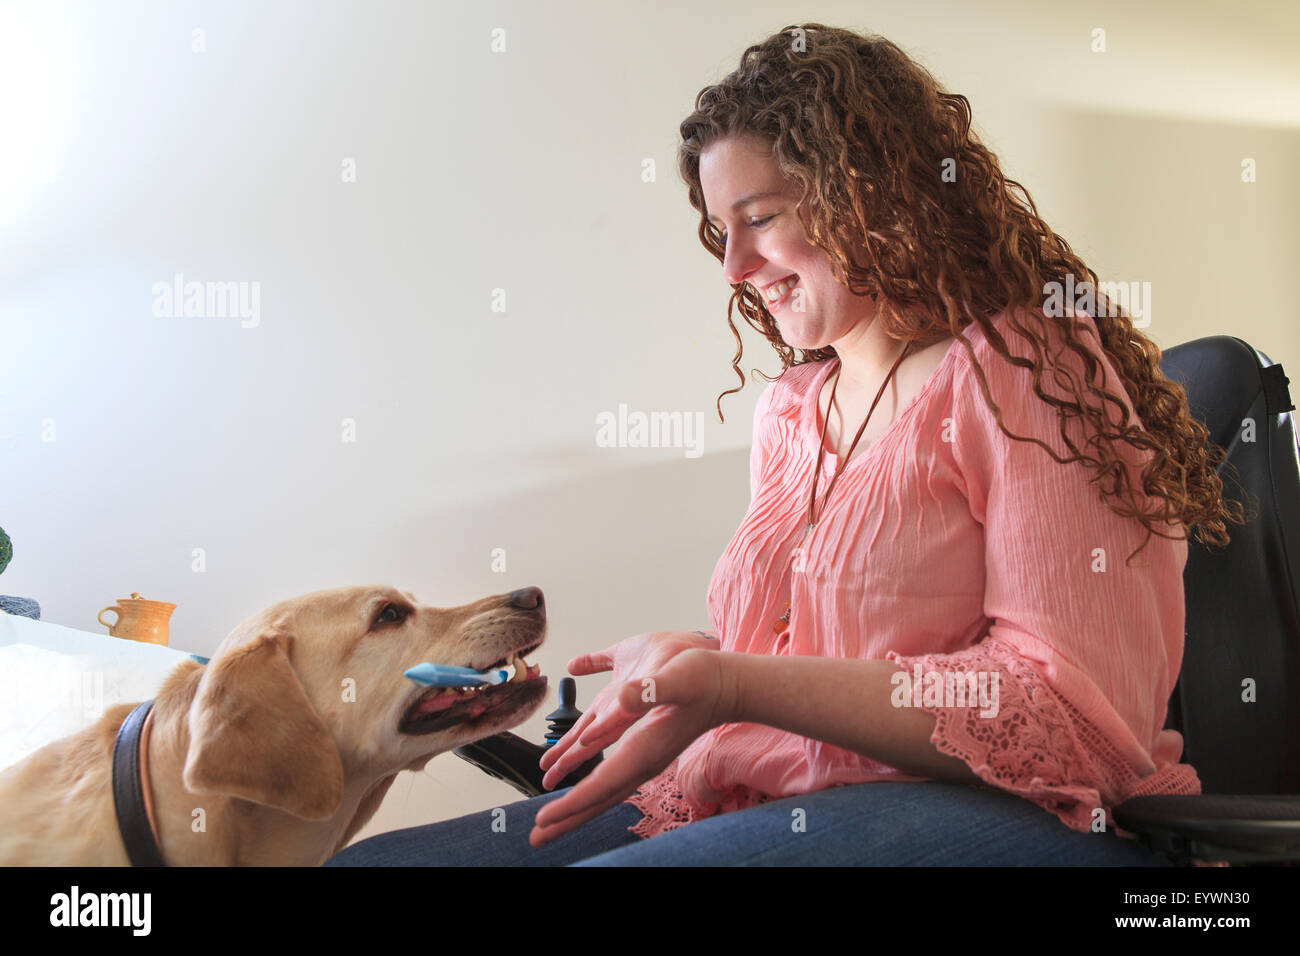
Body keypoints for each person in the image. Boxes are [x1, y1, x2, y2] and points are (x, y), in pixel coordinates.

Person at [325, 22, 1244, 867]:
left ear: (872, 194)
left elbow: (1074, 721)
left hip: (1026, 820)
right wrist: (701, 666)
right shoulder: (795, 412)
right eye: (720, 231)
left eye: (760, 219)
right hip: (771, 788)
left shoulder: (1025, 368)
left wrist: (737, 683)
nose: (733, 268)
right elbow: (829, 656)